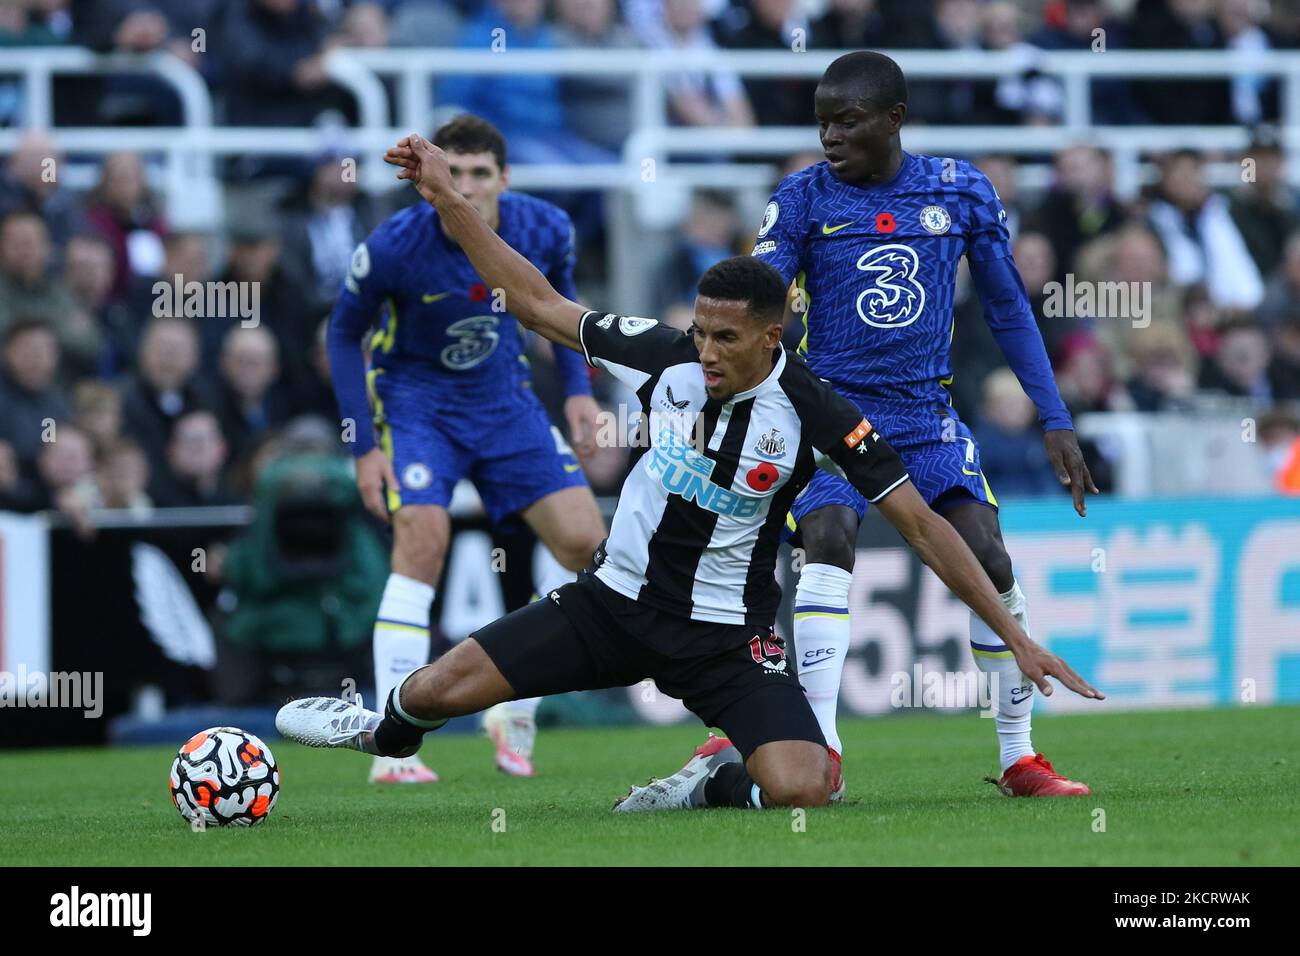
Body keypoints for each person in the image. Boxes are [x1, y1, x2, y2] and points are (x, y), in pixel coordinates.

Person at [274, 132, 1103, 813]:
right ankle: (377, 730)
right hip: (610, 605)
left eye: (725, 339)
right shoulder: (663, 355)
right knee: (438, 691)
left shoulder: (820, 413)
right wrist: (449, 199)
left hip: (724, 641)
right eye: (700, 331)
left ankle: (709, 781)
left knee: (806, 786)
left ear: (773, 337)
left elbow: (923, 524)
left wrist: (1017, 637)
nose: (705, 351)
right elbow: (531, 300)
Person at [751, 51, 1099, 799]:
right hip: (829, 412)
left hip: (924, 415)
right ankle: (824, 754)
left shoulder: (960, 190)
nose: (830, 137)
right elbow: (757, 301)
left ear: (893, 119)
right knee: (828, 542)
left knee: (989, 557)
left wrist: (1055, 416)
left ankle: (1018, 759)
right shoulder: (803, 198)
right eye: (822, 123)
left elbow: (1007, 307)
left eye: (847, 122)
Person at [326, 115, 607, 784]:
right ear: (432, 179)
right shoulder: (395, 245)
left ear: (504, 178)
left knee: (584, 542)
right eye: (455, 173)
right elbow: (342, 336)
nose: (470, 187)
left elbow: (559, 304)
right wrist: (363, 446)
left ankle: (517, 708)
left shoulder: (544, 229)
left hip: (505, 401)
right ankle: (391, 744)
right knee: (422, 542)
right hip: (418, 403)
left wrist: (577, 389)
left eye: (482, 174)